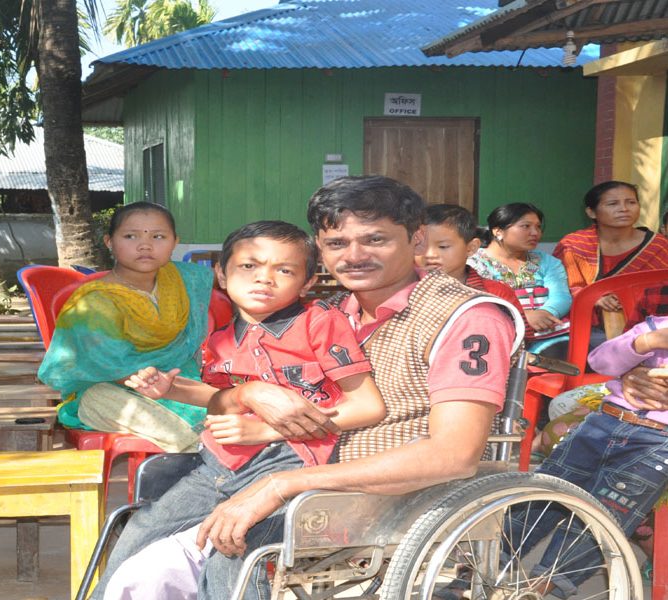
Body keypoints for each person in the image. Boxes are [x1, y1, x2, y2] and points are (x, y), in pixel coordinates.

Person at [96, 176, 523, 599]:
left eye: (375, 240)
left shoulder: (466, 317)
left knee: (234, 543)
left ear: (416, 240)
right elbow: (248, 392)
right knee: (138, 532)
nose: (354, 256)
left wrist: (284, 484)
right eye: (337, 243)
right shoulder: (327, 313)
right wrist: (246, 395)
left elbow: (454, 454)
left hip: (393, 498)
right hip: (293, 478)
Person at [95, 220, 386, 599]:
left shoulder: (318, 323)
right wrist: (172, 389)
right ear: (221, 272)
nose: (264, 279)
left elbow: (368, 406)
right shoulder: (219, 340)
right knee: (139, 530)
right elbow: (222, 398)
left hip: (287, 465)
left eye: (284, 270)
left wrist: (267, 431)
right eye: (249, 266)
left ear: (307, 282)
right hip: (216, 466)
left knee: (230, 552)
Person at [509, 314, 668, 598]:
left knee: (607, 514)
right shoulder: (656, 327)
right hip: (604, 422)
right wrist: (645, 342)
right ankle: (472, 573)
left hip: (658, 440)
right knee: (543, 495)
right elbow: (600, 361)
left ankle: (540, 589)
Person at [37, 202, 214, 453]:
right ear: (109, 241)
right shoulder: (95, 302)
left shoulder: (185, 279)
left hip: (179, 382)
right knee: (190, 432)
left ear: (175, 242)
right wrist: (153, 382)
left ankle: (209, 451)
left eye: (158, 236)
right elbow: (107, 367)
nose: (145, 245)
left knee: (237, 408)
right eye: (130, 236)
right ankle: (202, 453)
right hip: (115, 390)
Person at [553, 181, 668, 338]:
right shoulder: (574, 244)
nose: (624, 209)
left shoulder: (659, 246)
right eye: (613, 203)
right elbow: (560, 288)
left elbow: (661, 293)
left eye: (631, 202)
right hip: (582, 325)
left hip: (643, 327)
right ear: (591, 212)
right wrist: (593, 297)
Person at [468, 202, 571, 356]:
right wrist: (523, 316)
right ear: (498, 231)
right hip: (497, 337)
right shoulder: (473, 263)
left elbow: (561, 296)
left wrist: (545, 312)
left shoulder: (548, 262)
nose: (535, 233)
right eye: (526, 226)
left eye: (537, 227)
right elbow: (479, 303)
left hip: (547, 334)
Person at [416, 203, 527, 329]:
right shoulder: (403, 290)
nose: (429, 254)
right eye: (419, 245)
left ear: (471, 248)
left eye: (443, 247)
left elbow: (522, 336)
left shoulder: (497, 294)